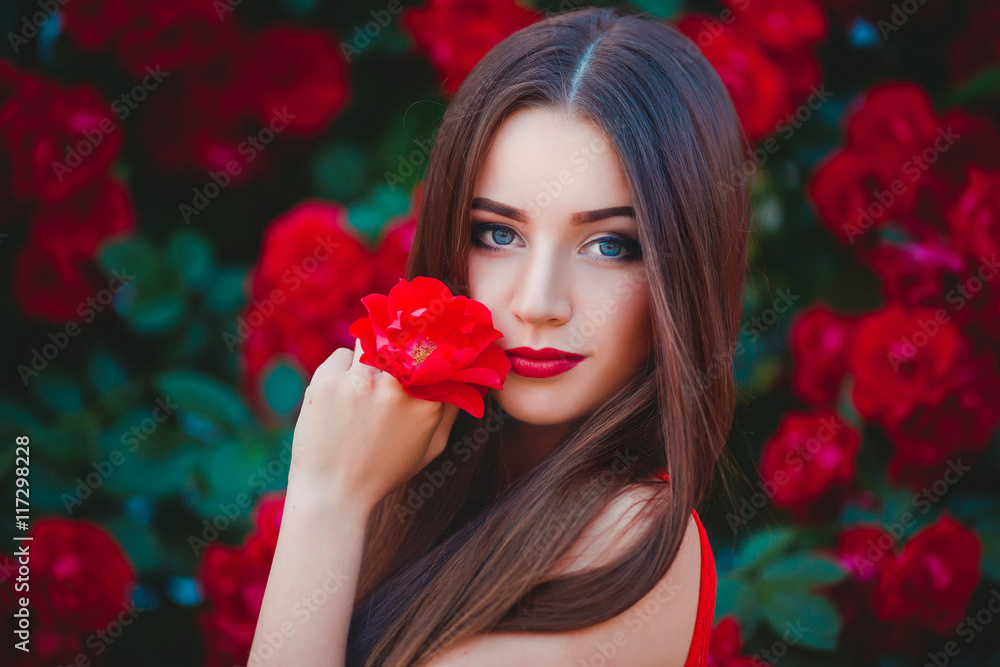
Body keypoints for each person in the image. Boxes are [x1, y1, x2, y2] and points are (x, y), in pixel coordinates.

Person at [249, 5, 751, 666]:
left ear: (685, 265)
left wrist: (327, 499)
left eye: (609, 244)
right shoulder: (423, 488)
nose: (539, 302)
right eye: (498, 233)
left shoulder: (631, 532)